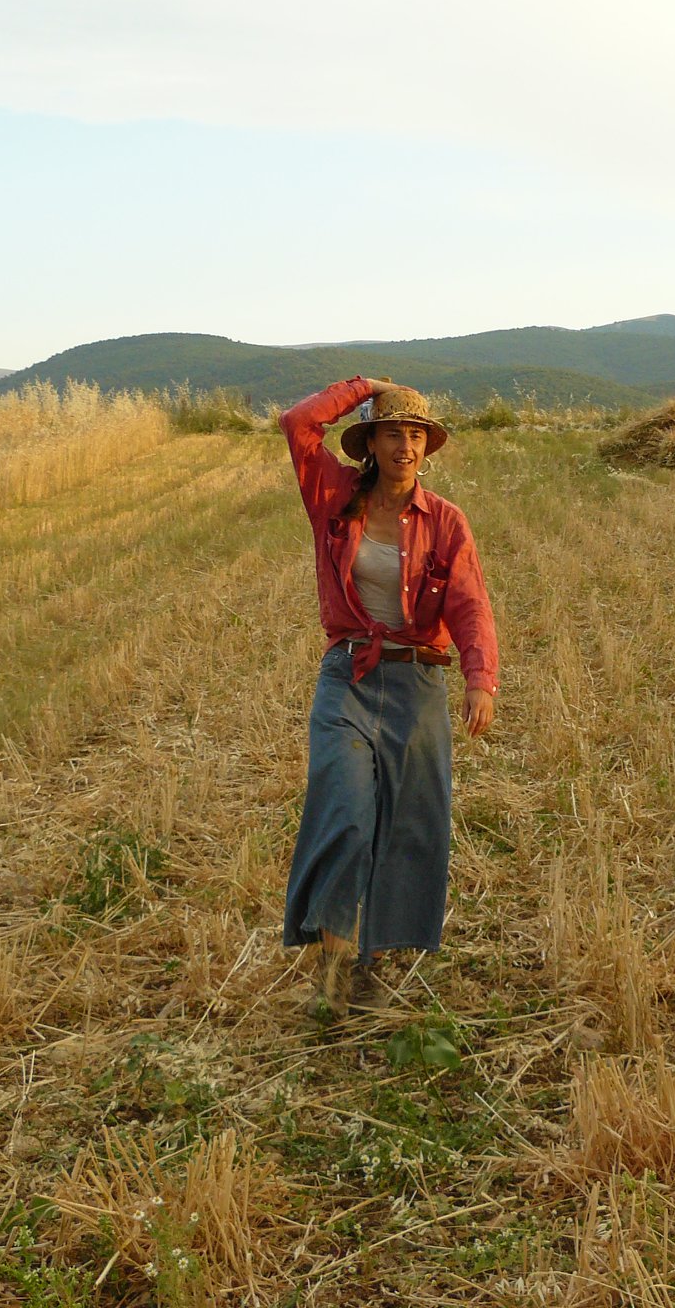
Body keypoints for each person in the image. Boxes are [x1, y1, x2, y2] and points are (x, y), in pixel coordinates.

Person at [278, 377, 500, 1023]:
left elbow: (469, 604)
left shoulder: (446, 520)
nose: (406, 446)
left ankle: (372, 957)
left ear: (426, 448)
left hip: (419, 680)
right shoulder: (333, 495)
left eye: (416, 435)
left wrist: (480, 679)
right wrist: (367, 387)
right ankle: (331, 962)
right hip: (348, 675)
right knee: (344, 813)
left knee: (404, 825)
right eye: (394, 433)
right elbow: (297, 422)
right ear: (370, 442)